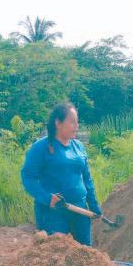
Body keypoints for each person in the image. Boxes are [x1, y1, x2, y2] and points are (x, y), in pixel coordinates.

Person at [21, 103, 102, 246]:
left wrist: (94, 206)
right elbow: (28, 176)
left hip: (80, 211)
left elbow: (87, 179)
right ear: (58, 123)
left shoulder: (78, 147)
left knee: (85, 254)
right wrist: (46, 197)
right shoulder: (41, 147)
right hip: (53, 213)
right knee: (57, 255)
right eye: (72, 122)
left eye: (77, 122)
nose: (76, 126)